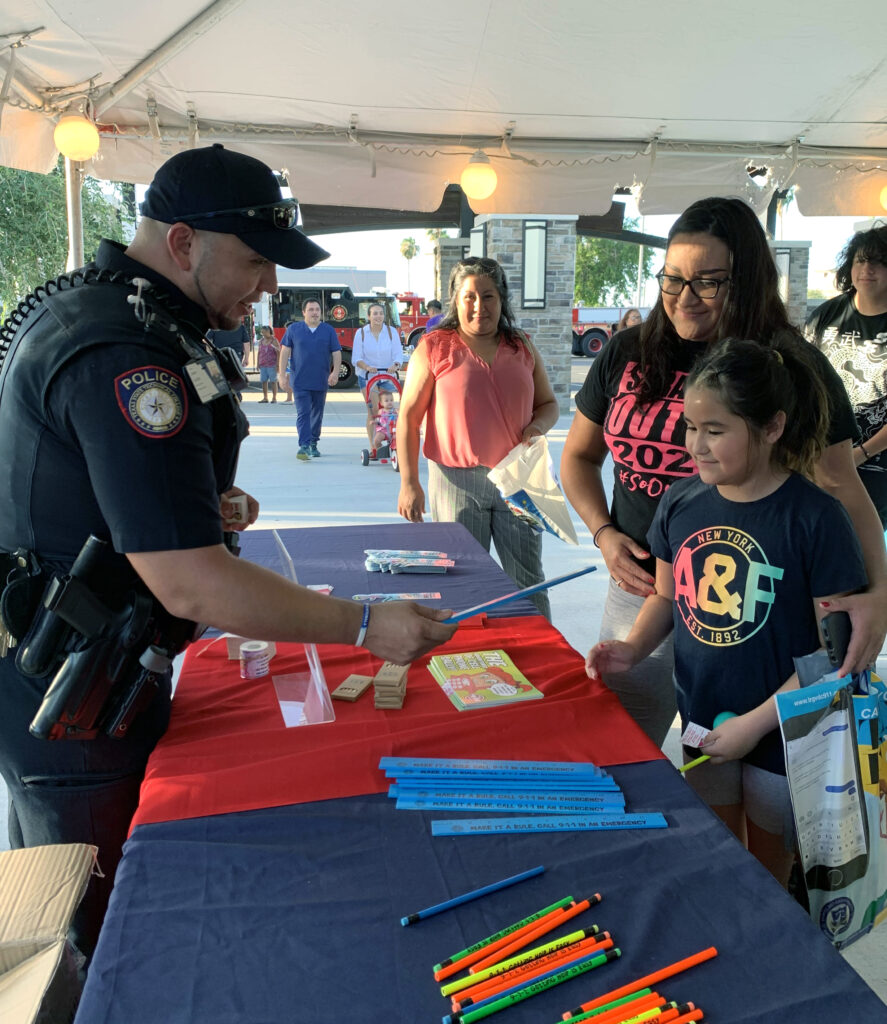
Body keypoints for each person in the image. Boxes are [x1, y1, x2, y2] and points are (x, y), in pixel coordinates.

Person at [0, 143, 456, 962]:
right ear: (183, 244)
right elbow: (190, 584)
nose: (270, 287)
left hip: (66, 666)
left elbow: (83, 491)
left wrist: (189, 503)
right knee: (91, 932)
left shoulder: (103, 310)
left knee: (57, 888)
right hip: (70, 694)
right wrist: (362, 624)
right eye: (255, 262)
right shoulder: (129, 353)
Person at [561, 196, 887, 747]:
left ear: (749, 281)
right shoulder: (626, 351)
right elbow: (578, 457)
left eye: (709, 282)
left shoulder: (786, 366)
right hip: (646, 589)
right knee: (622, 746)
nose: (685, 299)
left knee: (750, 771)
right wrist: (604, 533)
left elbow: (840, 485)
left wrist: (879, 593)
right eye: (673, 279)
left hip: (753, 606)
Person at [585, 337, 867, 885]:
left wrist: (755, 725)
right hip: (703, 719)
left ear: (773, 427)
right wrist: (632, 648)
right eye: (691, 428)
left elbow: (826, 658)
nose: (696, 445)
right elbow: (668, 597)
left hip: (785, 735)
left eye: (716, 431)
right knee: (719, 854)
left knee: (766, 868)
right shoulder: (681, 501)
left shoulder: (818, 520)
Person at [397, 256, 560, 618]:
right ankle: (469, 656)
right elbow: (408, 418)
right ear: (456, 299)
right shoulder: (434, 346)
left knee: (528, 579)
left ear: (501, 300)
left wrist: (535, 429)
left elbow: (549, 404)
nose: (479, 306)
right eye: (470, 296)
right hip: (456, 483)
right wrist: (409, 483)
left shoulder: (522, 346)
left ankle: (539, 657)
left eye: (488, 296)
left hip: (519, 478)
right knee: (461, 580)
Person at [805, 223, 887, 527]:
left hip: (877, 467)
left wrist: (860, 454)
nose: (867, 268)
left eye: (878, 260)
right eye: (860, 260)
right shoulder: (826, 316)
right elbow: (800, 380)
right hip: (820, 458)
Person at [277, 299, 341, 459]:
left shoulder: (328, 330)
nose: (314, 312)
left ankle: (313, 443)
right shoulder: (294, 329)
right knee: (303, 412)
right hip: (299, 380)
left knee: (317, 413)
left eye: (317, 309)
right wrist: (282, 374)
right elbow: (284, 351)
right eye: (311, 309)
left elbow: (336, 353)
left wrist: (335, 373)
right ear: (303, 312)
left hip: (320, 379)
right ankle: (304, 445)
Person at [352, 302, 403, 446]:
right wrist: (367, 367)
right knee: (374, 410)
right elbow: (356, 358)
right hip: (368, 376)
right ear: (368, 316)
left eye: (381, 313)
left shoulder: (391, 332)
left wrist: (395, 365)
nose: (378, 316)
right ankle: (374, 445)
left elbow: (398, 353)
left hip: (388, 374)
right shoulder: (361, 333)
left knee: (389, 408)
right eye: (375, 313)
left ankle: (391, 438)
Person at [256, 325, 280, 402]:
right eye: (262, 332)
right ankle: (265, 397)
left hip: (272, 364)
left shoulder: (274, 340)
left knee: (273, 381)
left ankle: (274, 398)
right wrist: (257, 364)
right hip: (263, 364)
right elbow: (259, 353)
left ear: (269, 331)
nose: (263, 333)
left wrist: (278, 364)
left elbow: (279, 352)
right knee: (263, 381)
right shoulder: (261, 341)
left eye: (265, 332)